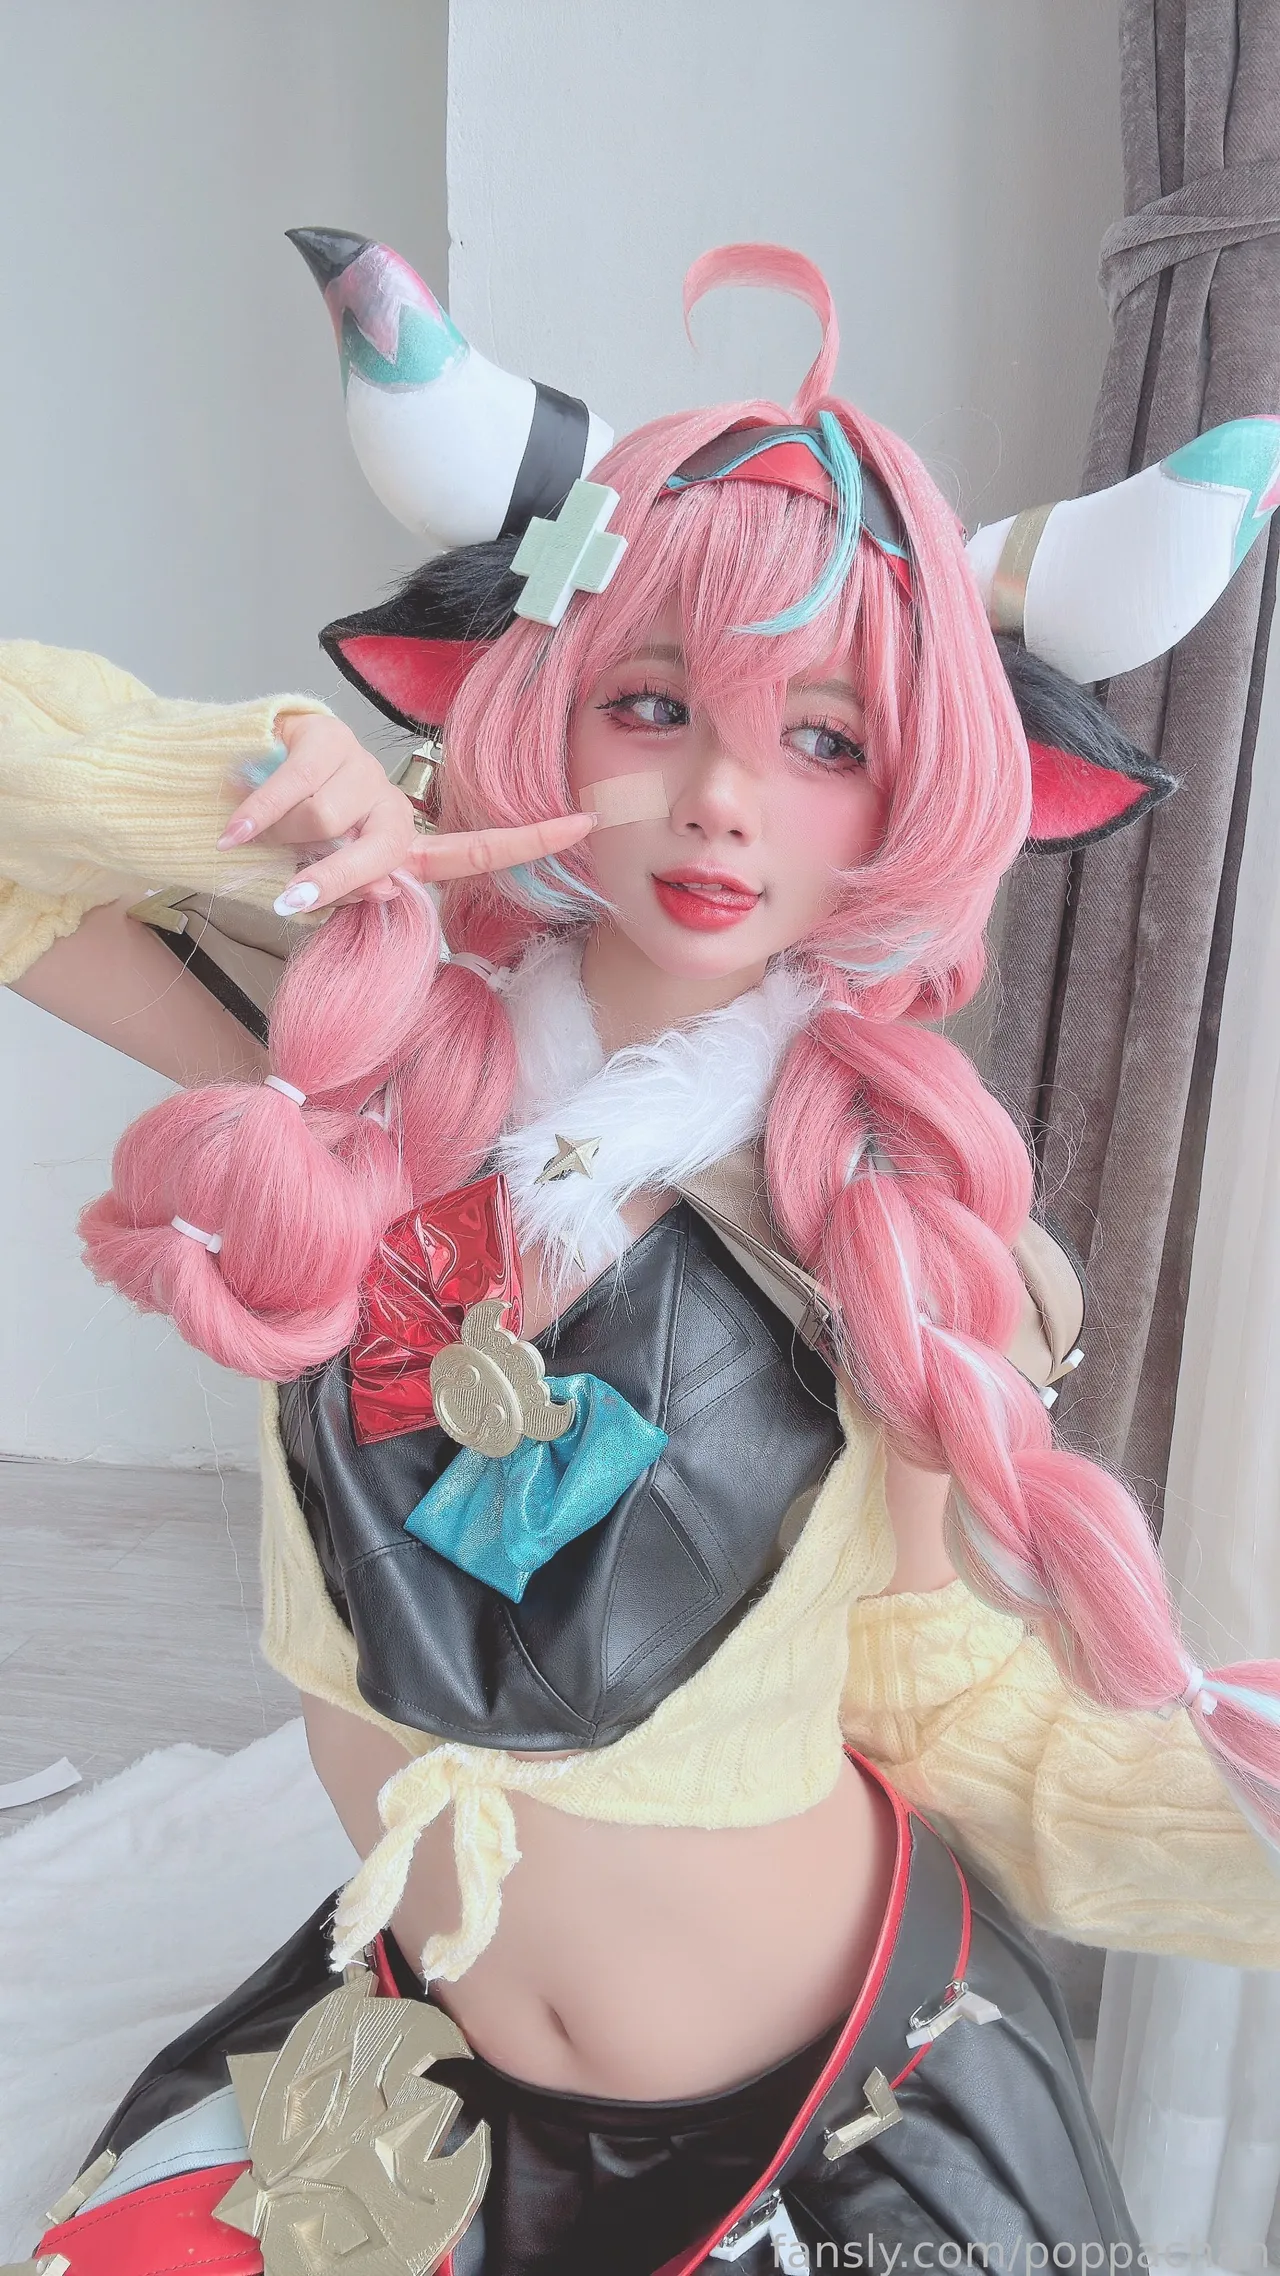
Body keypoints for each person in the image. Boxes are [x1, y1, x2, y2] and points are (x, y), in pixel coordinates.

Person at [3, 238, 1279, 2276]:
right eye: (655, 705)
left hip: (821, 2123)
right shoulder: (342, 1043)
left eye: (826, 740)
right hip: (408, 2072)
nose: (718, 800)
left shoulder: (892, 1221)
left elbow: (924, 1689)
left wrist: (1232, 1816)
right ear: (536, 707)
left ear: (924, 795)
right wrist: (256, 789)